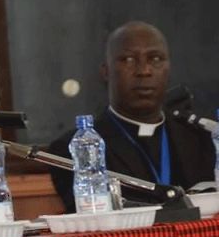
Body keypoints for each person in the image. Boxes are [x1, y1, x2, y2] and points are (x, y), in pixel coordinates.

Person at [48, 21, 215, 212]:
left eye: (155, 59)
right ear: (106, 72)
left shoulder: (203, 139)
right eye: (128, 59)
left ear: (169, 68)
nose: (144, 71)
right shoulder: (71, 150)